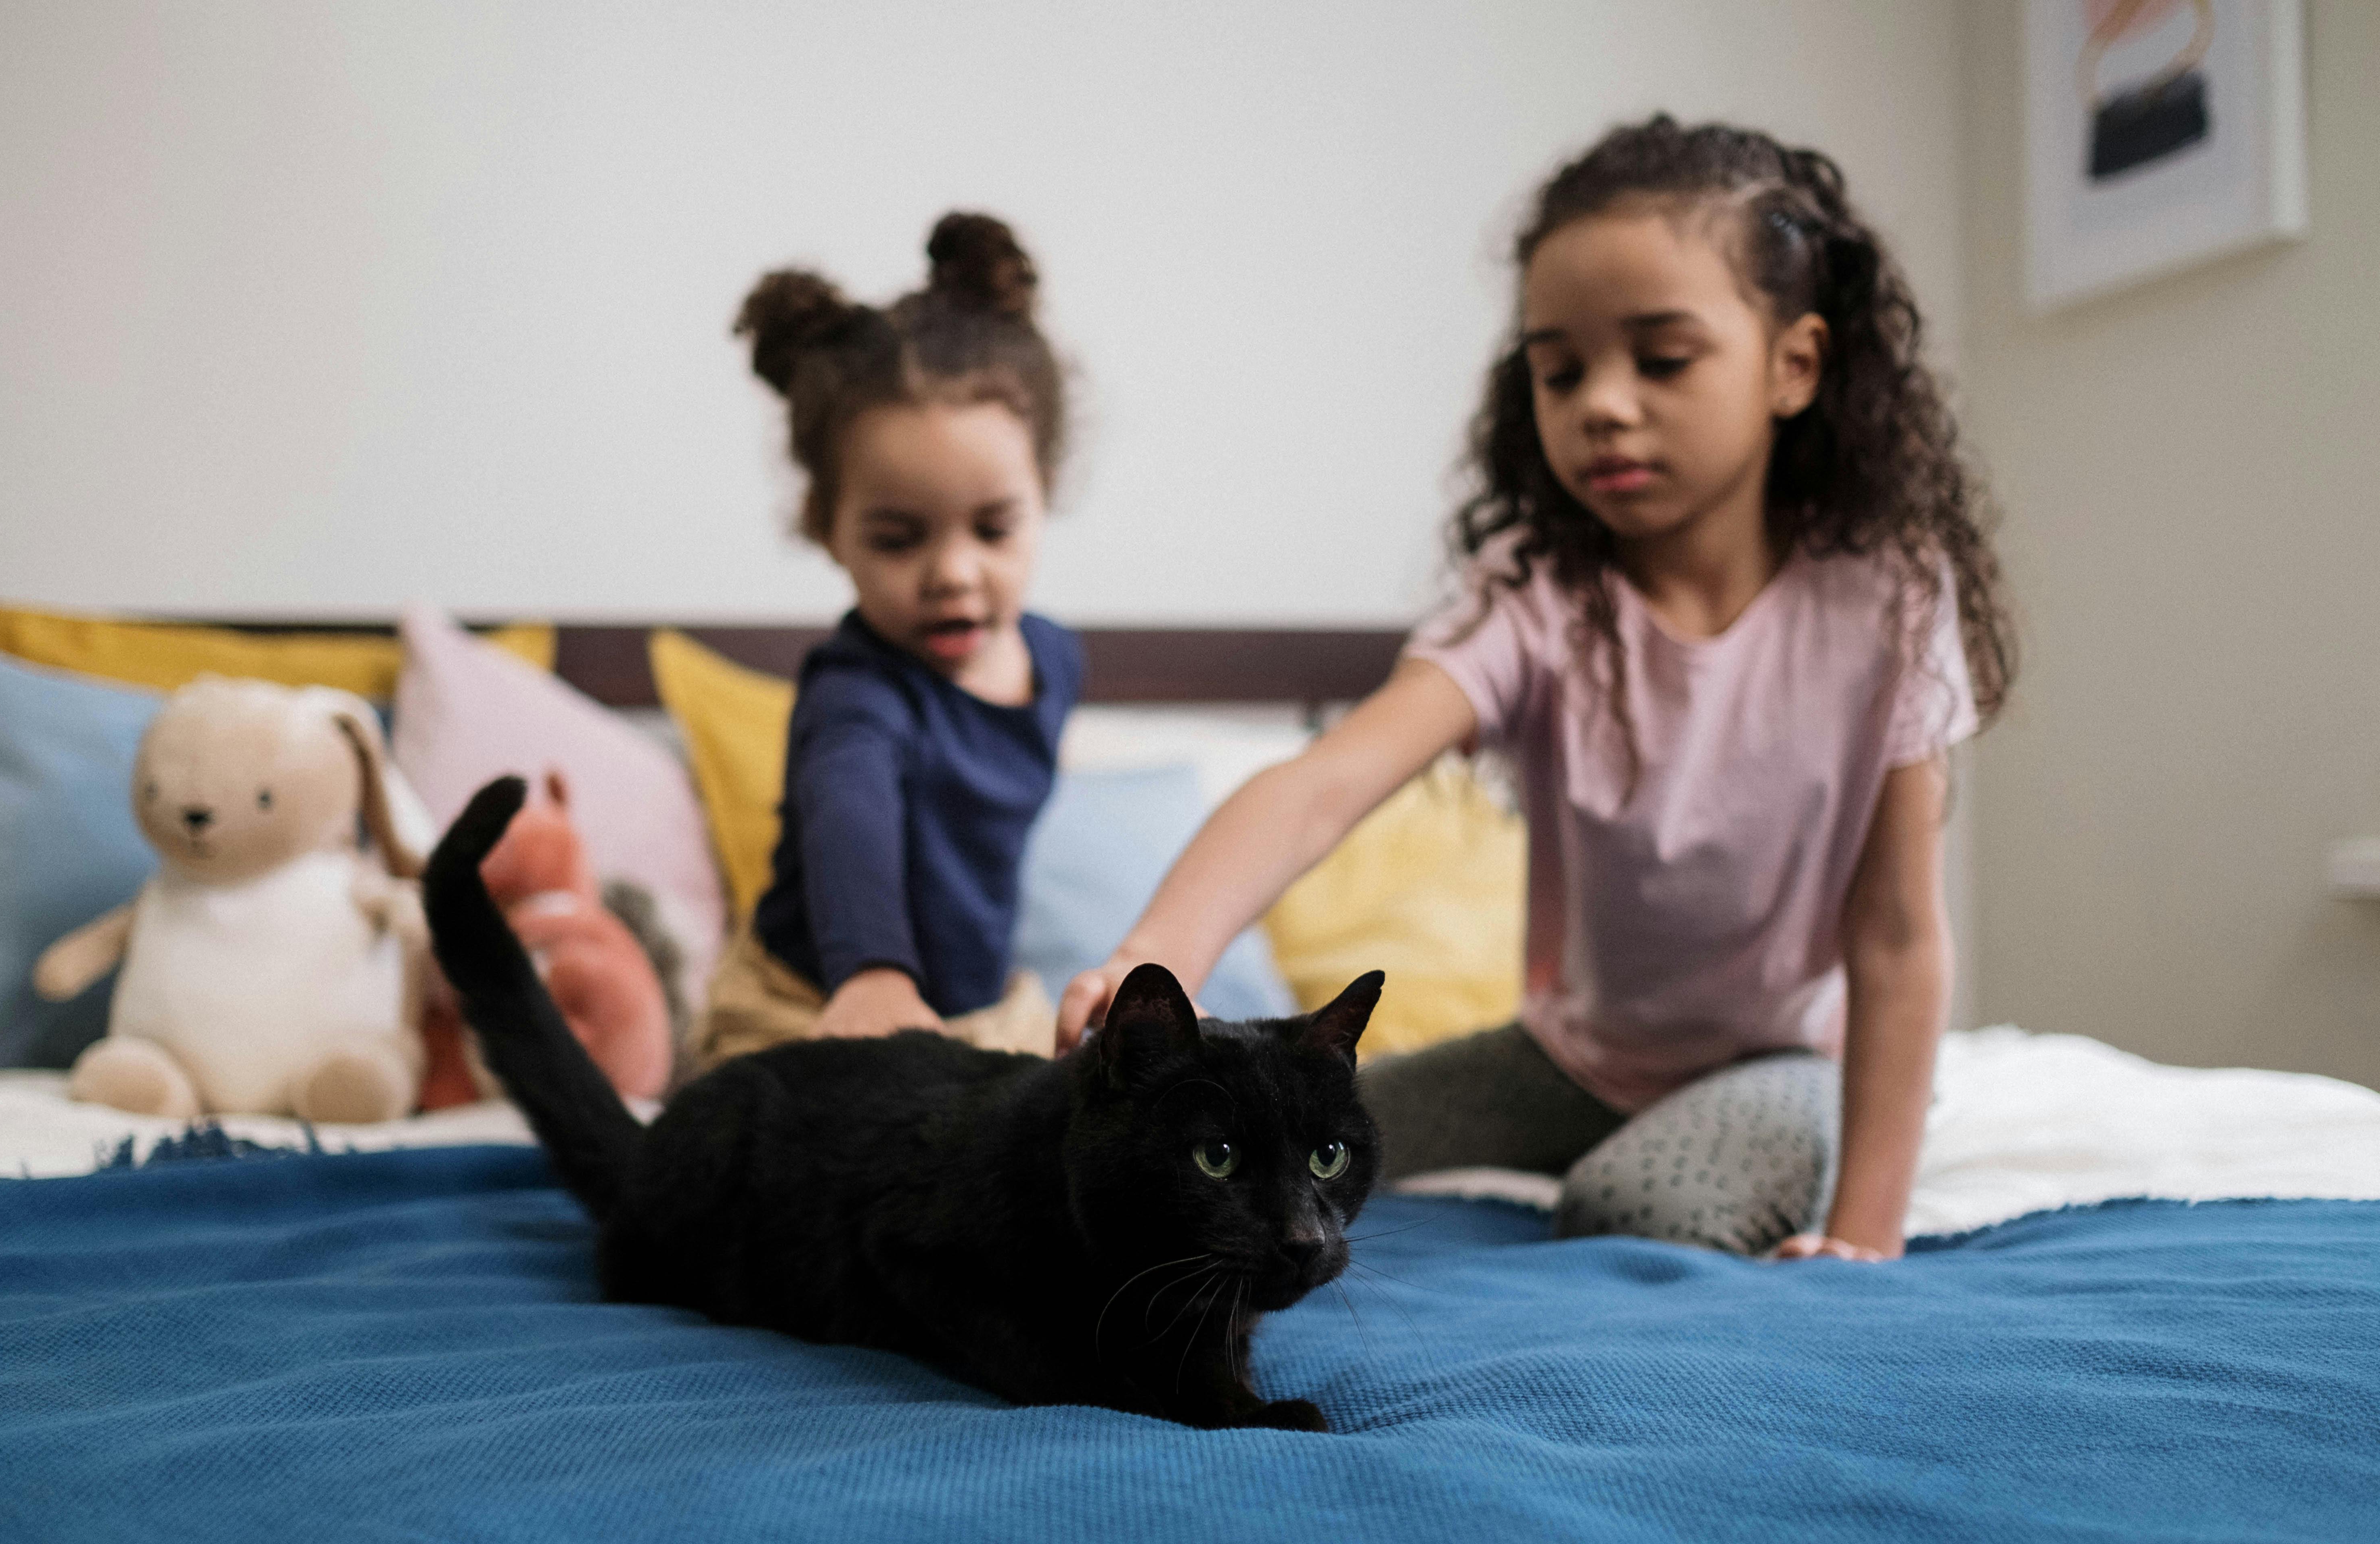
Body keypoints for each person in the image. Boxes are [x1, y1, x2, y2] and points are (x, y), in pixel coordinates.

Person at [1058, 117, 2015, 1261]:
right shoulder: (1537, 594)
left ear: (1793, 365)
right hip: (1565, 1059)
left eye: (1660, 359)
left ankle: (1736, 1156)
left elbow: (1901, 937)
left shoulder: (1889, 596)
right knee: (1253, 1137)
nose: (1601, 402)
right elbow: (1324, 785)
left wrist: (1866, 1232)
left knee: (1639, 1210)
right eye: (1560, 369)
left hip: (1777, 1062)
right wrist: (1148, 953)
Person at [698, 213, 1080, 1062]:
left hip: (976, 1009)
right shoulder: (857, 695)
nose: (953, 572)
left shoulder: (1055, 658)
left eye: (993, 528)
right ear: (826, 527)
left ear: (1042, 497)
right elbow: (850, 815)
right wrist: (871, 972)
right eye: (900, 538)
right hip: (812, 1001)